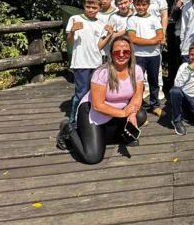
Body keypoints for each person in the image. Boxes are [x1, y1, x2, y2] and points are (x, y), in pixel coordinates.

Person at [56, 36, 148, 164]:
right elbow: (98, 105)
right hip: (93, 110)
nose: (121, 55)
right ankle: (68, 128)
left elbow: (137, 96)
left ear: (131, 54)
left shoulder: (137, 70)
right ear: (111, 54)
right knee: (92, 157)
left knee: (140, 115)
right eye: (117, 52)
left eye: (126, 52)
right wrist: (123, 113)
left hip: (118, 109)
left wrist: (132, 113)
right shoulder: (101, 73)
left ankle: (117, 134)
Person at [65, 0, 115, 124]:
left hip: (96, 63)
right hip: (81, 63)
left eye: (94, 8)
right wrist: (72, 31)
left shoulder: (100, 23)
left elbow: (99, 46)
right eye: (88, 7)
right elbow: (69, 42)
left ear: (99, 8)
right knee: (81, 93)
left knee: (95, 93)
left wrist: (109, 35)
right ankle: (74, 121)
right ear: (84, 5)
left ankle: (90, 118)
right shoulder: (75, 19)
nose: (91, 10)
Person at [127, 0, 165, 117]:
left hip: (154, 55)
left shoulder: (154, 19)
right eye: (138, 5)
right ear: (134, 4)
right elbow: (133, 38)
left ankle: (155, 105)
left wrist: (152, 41)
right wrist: (152, 41)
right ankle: (138, 106)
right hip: (138, 55)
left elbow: (160, 35)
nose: (141, 7)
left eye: (144, 4)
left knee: (154, 81)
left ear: (148, 5)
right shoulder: (132, 19)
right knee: (137, 82)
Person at [167, 0, 194, 86]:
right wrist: (177, 8)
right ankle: (178, 84)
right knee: (180, 60)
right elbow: (172, 17)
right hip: (180, 32)